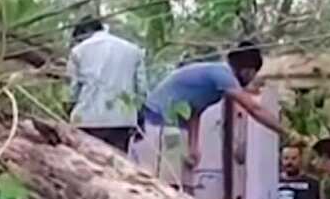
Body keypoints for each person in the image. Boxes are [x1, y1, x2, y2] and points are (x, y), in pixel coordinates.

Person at [131, 39, 295, 188]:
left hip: (174, 126)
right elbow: (254, 109)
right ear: (248, 70)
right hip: (160, 123)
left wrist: (194, 146)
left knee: (183, 181)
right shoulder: (223, 75)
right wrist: (286, 132)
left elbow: (195, 111)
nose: (252, 79)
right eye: (253, 74)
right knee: (168, 183)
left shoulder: (217, 79)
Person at [67, 16, 147, 152]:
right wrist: (139, 118)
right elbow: (142, 90)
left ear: (84, 32)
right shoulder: (133, 51)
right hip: (121, 121)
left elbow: (72, 92)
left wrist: (69, 112)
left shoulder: (78, 51)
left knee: (87, 165)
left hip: (87, 120)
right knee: (118, 166)